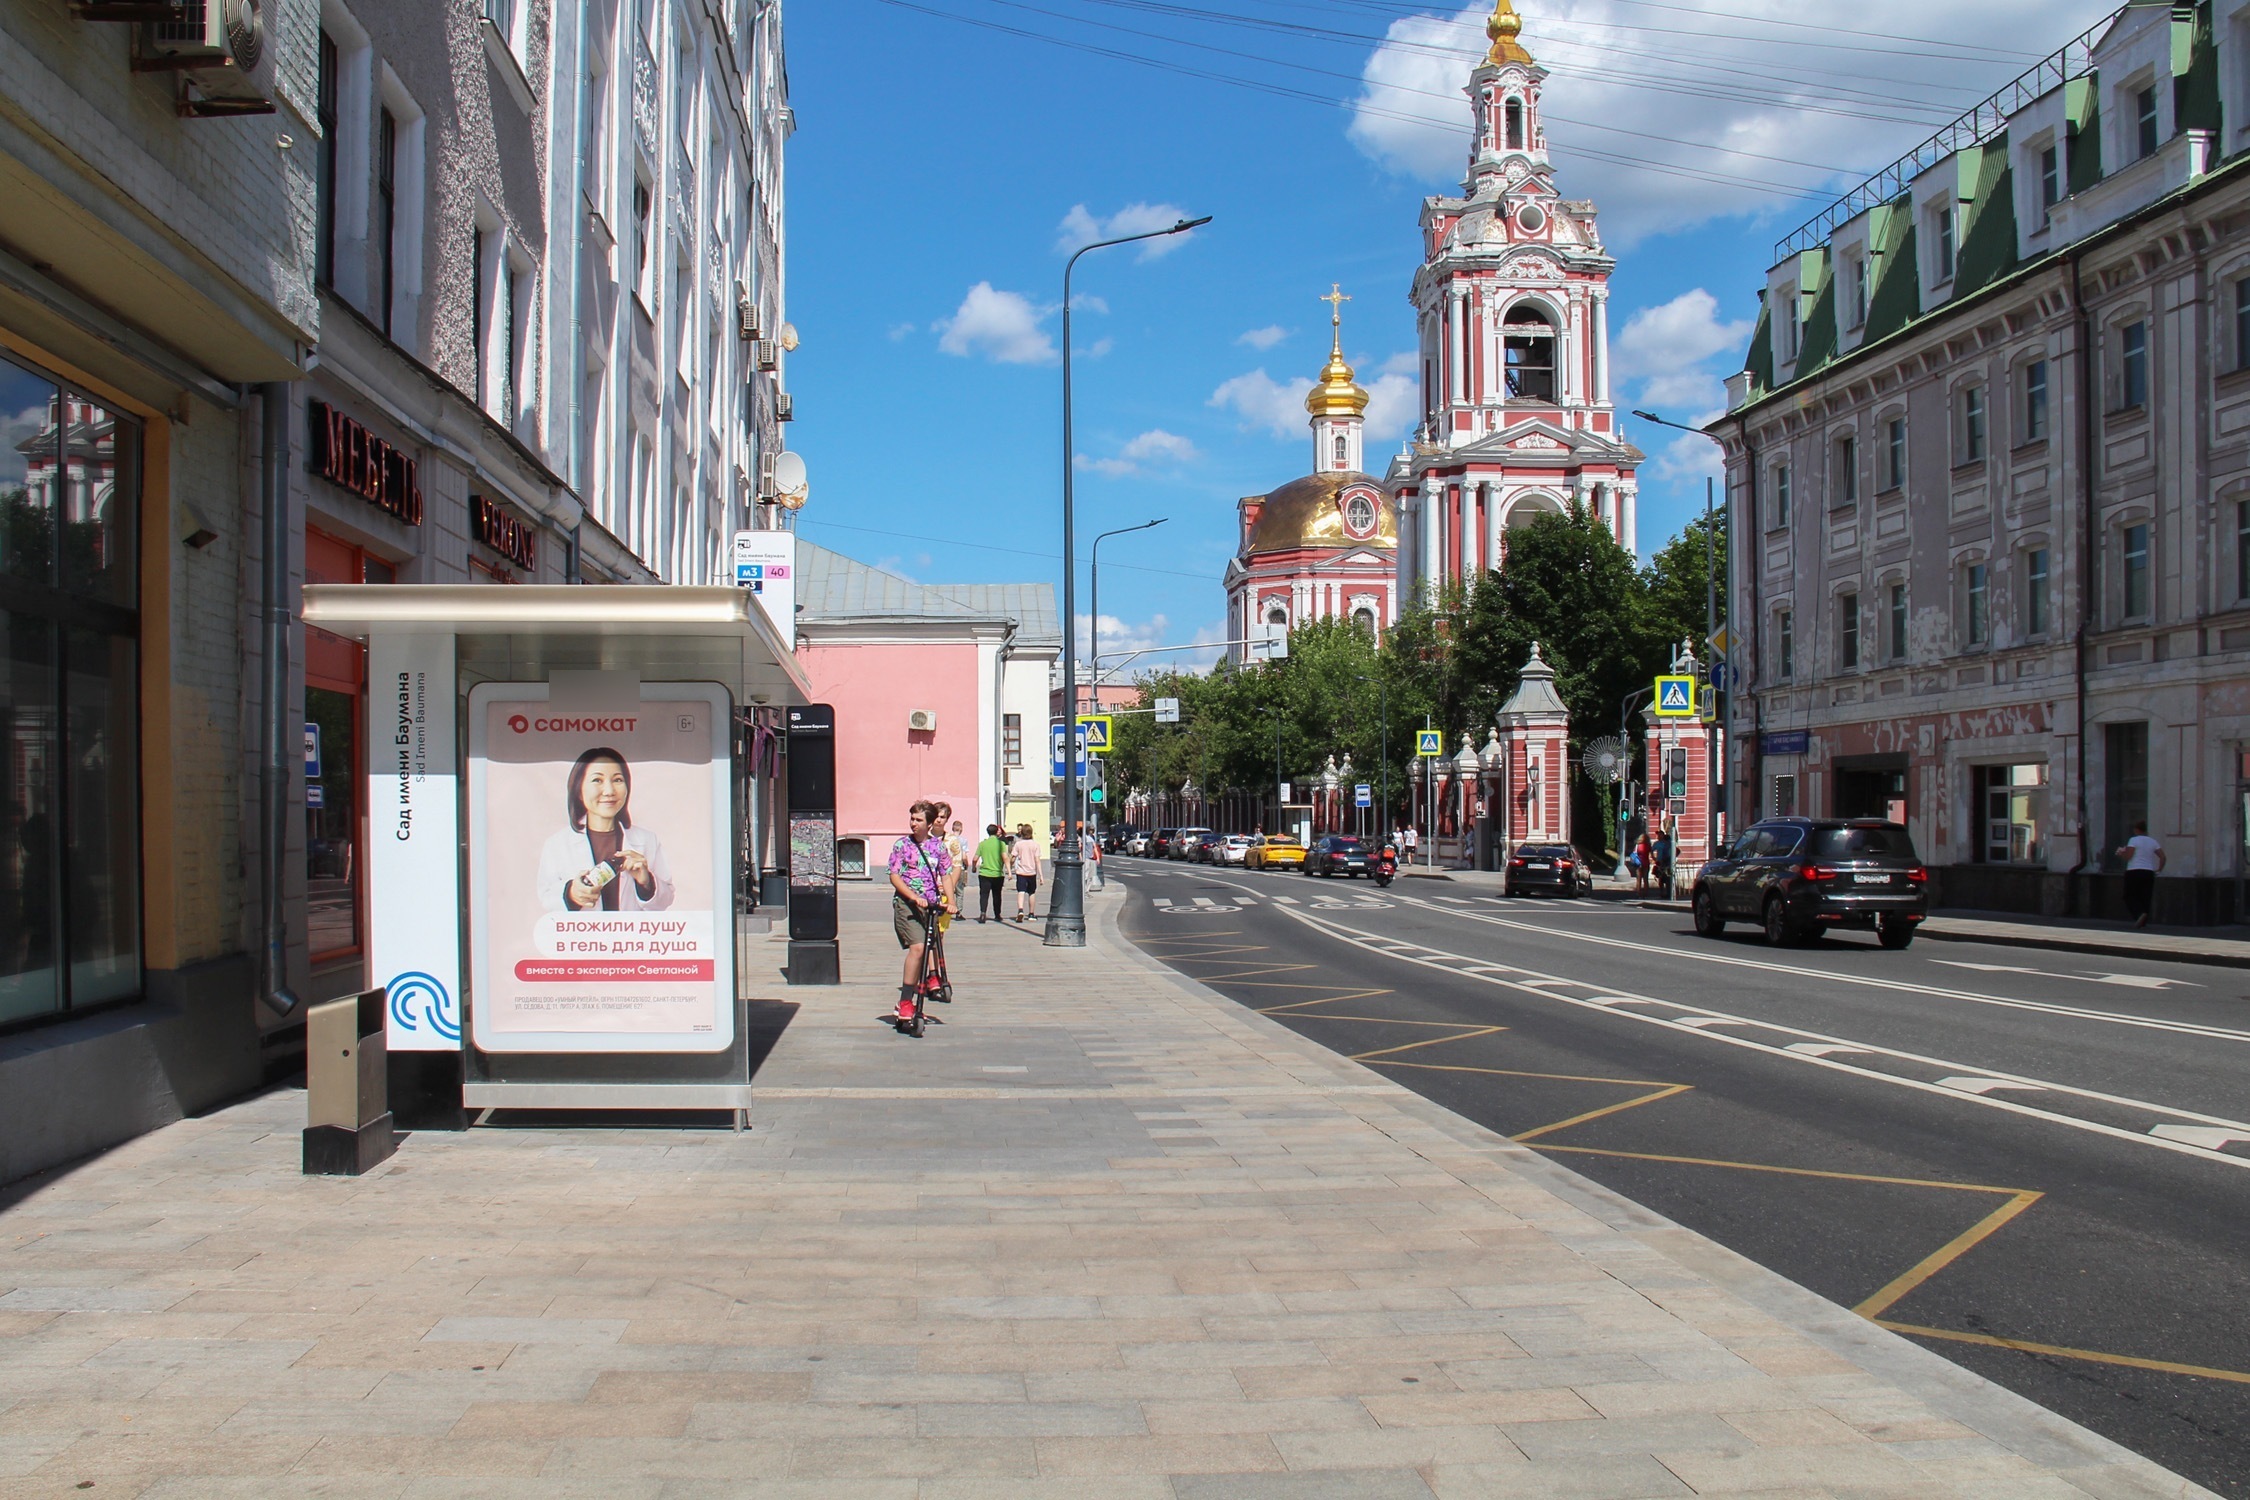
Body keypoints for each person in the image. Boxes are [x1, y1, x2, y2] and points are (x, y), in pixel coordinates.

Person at [535, 748, 675, 912]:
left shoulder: (647, 840)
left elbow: (666, 900)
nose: (609, 791)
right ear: (579, 790)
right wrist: (571, 895)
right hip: (584, 930)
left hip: (630, 930)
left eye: (617, 780)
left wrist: (646, 883)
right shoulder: (557, 844)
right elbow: (546, 898)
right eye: (597, 780)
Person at [888, 801, 953, 1024]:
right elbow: (894, 875)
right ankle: (906, 1001)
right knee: (917, 948)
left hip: (931, 907)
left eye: (919, 820)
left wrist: (951, 902)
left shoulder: (938, 847)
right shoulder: (902, 845)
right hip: (907, 905)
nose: (913, 823)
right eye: (912, 819)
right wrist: (913, 896)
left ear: (929, 823)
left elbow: (946, 875)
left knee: (926, 952)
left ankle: (916, 995)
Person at [2118, 821, 2165, 928]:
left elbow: (2128, 856)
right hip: (2148, 872)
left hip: (2134, 871)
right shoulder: (2153, 841)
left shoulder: (2133, 840)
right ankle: (2143, 920)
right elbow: (2163, 857)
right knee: (2145, 896)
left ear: (2136, 829)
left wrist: (2121, 853)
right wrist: (2159, 870)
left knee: (2129, 895)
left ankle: (2139, 913)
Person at [975, 823, 1007, 922]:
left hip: (984, 873)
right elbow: (1005, 858)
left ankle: (983, 914)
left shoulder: (982, 844)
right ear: (996, 832)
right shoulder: (1001, 844)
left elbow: (975, 858)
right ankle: (997, 915)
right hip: (997, 873)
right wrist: (1009, 871)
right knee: (997, 895)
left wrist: (973, 867)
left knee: (984, 895)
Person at [1011, 821, 1041, 921]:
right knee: (1031, 892)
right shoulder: (1035, 845)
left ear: (1022, 833)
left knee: (1021, 891)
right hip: (1032, 872)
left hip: (1021, 872)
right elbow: (1037, 860)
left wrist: (1010, 865)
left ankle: (1020, 910)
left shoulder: (1018, 844)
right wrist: (1041, 875)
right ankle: (1031, 914)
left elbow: (1013, 857)